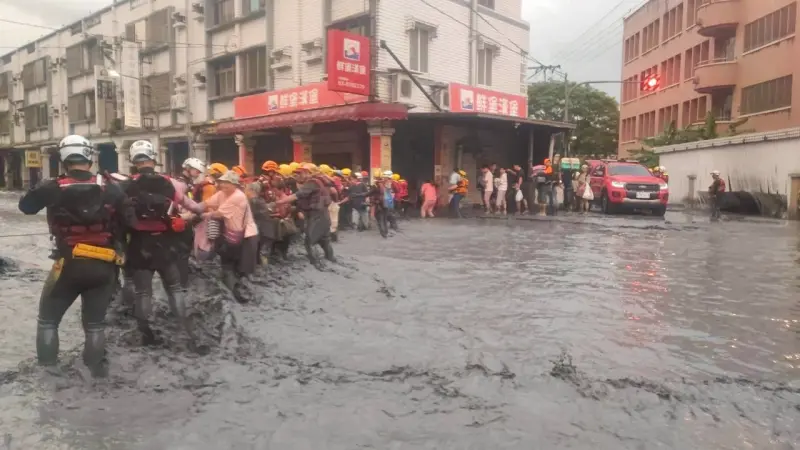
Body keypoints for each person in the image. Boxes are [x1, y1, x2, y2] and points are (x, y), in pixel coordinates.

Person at [19, 135, 134, 378]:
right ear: (89, 158)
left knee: (48, 321)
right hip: (104, 266)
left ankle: (48, 376)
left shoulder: (52, 187)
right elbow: (128, 221)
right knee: (95, 326)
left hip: (68, 264)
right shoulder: (111, 187)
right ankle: (96, 375)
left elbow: (25, 207)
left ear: (63, 159)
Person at [124, 140, 205, 348]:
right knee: (175, 288)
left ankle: (145, 334)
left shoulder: (126, 185)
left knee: (143, 292)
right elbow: (192, 206)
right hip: (164, 244)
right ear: (153, 159)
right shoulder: (170, 183)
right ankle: (184, 330)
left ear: (134, 161)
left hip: (139, 245)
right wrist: (204, 210)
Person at [201, 171, 259, 295]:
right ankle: (233, 291)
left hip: (246, 235)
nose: (223, 185)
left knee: (242, 268)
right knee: (228, 263)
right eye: (222, 182)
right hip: (231, 234)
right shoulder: (221, 193)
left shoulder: (238, 196)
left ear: (235, 184)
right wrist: (192, 209)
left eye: (227, 182)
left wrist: (199, 215)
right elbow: (207, 203)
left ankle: (241, 293)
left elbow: (218, 213)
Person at [274, 163, 335, 268]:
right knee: (325, 240)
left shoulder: (312, 182)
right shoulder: (322, 181)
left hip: (316, 215)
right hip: (324, 214)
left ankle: (316, 264)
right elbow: (333, 192)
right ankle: (331, 259)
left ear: (309, 173)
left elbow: (297, 195)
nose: (299, 175)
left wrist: (279, 202)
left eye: (301, 173)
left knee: (309, 241)